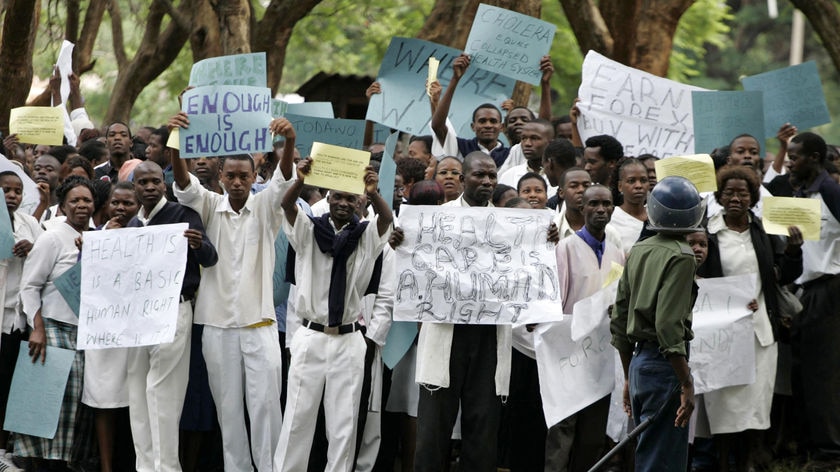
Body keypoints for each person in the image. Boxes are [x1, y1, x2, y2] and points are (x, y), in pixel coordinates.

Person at [168, 112, 296, 472]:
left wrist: (288, 141)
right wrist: (176, 139)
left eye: (244, 176)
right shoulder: (208, 206)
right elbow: (183, 183)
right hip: (218, 327)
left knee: (266, 409)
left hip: (259, 325)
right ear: (221, 178)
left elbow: (285, 180)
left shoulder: (266, 208)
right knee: (228, 411)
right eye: (231, 176)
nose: (237, 182)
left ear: (255, 177)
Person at [274, 158, 392, 472]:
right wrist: (299, 180)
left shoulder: (366, 236)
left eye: (350, 198)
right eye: (337, 196)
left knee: (343, 424)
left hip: (350, 339)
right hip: (311, 336)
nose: (342, 202)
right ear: (328, 196)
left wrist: (374, 192)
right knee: (297, 418)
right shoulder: (309, 229)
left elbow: (387, 218)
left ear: (359, 202)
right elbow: (286, 204)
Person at [697, 165, 803, 471]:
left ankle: (746, 464)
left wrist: (795, 251)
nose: (735, 198)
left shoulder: (763, 230)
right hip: (723, 335)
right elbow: (699, 278)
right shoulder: (708, 232)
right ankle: (723, 464)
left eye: (742, 193)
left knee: (755, 408)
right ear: (718, 196)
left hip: (760, 335)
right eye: (729, 192)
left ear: (752, 198)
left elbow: (784, 276)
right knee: (723, 408)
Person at [123, 160, 218, 472]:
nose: (149, 187)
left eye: (154, 181)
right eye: (143, 182)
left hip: (172, 309)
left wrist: (199, 244)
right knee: (137, 394)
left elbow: (210, 257)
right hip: (136, 316)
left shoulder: (183, 215)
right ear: (134, 187)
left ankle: (166, 468)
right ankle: (145, 466)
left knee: (162, 394)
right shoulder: (132, 225)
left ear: (163, 184)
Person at [610, 176, 706, 471]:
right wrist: (686, 382)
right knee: (664, 461)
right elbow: (667, 326)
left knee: (651, 455)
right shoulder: (681, 255)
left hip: (640, 364)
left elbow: (620, 319)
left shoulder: (640, 249)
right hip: (664, 368)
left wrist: (628, 376)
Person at [768, 132, 840, 465]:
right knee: (804, 373)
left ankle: (828, 453)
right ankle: (810, 446)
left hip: (830, 290)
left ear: (813, 157)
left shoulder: (830, 191)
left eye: (795, 157)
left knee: (822, 376)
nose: (790, 162)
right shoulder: (800, 192)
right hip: (805, 292)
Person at [16, 176, 96, 470]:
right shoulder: (51, 237)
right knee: (49, 403)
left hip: (85, 333)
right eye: (75, 200)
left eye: (87, 200)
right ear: (62, 204)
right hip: (51, 328)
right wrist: (36, 328)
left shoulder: (98, 236)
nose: (81, 205)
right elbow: (30, 285)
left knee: (74, 406)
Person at [544, 184, 625, 472]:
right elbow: (555, 302)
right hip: (569, 352)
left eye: (606, 204)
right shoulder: (565, 248)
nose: (601, 209)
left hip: (601, 354)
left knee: (592, 434)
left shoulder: (617, 253)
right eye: (594, 204)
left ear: (614, 208)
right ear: (582, 207)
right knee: (563, 429)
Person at [0, 170, 43, 471]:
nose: (12, 195)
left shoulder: (30, 223)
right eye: (6, 190)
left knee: (8, 385)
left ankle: (3, 450)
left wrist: (32, 249)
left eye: (17, 191)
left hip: (17, 319)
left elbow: (45, 255)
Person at [430, 54, 509, 167]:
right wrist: (455, 79)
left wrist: (544, 83)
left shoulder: (511, 154)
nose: (488, 125)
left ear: (502, 127)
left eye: (493, 121)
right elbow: (437, 126)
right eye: (482, 121)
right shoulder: (460, 148)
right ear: (473, 126)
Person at [499, 119, 556, 192]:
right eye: (523, 138)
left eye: (534, 138)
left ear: (550, 143)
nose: (527, 143)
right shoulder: (509, 175)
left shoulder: (560, 176)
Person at [608, 158, 650, 254]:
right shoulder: (611, 220)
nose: (638, 185)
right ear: (620, 186)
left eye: (643, 180)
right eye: (631, 181)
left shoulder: (657, 217)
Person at [543, 138, 578, 211]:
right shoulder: (593, 193)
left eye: (543, 165)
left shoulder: (551, 205)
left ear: (550, 163)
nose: (545, 171)